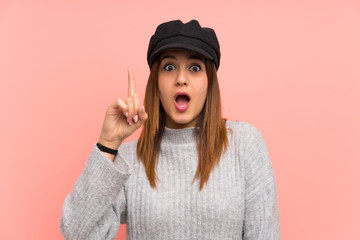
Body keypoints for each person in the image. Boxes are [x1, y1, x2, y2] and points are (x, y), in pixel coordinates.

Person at [59, 19, 281, 239]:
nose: (181, 79)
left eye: (195, 68)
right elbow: (77, 233)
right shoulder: (129, 160)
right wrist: (108, 144)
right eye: (169, 67)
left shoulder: (245, 144)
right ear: (155, 80)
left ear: (209, 82)